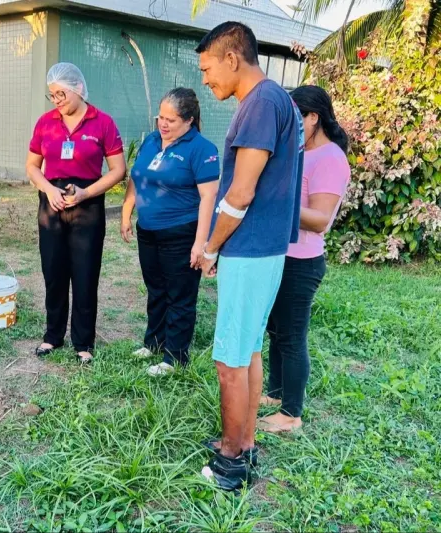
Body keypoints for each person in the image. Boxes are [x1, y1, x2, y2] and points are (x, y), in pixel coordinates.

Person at [196, 22, 304, 490]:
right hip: (265, 249)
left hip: (250, 248)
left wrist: (211, 245)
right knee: (248, 350)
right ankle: (242, 441)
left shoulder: (259, 103)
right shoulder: (278, 100)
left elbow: (240, 193)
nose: (205, 79)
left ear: (232, 58)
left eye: (207, 68)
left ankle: (232, 459)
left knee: (228, 362)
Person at [257, 85, 351, 433]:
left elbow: (321, 219)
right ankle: (277, 393)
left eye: (296, 117)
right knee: (276, 331)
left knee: (292, 336)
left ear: (314, 117)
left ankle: (291, 413)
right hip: (281, 254)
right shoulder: (299, 152)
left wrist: (273, 201)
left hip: (303, 261)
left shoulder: (330, 158)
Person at [26, 62, 127, 364]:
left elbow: (118, 170)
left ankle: (84, 342)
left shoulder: (103, 123)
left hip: (88, 202)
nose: (57, 101)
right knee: (54, 272)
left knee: (85, 275)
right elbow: (32, 166)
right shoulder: (45, 123)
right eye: (52, 95)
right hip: (52, 202)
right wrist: (48, 189)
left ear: (79, 89)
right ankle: (53, 335)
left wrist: (86, 193)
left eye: (61, 94)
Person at [121, 88, 219, 375]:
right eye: (160, 118)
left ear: (189, 120)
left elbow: (208, 199)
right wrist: (127, 213)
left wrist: (200, 243)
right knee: (156, 289)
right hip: (148, 231)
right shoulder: (152, 141)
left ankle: (175, 357)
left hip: (181, 233)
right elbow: (136, 177)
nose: (163, 124)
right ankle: (153, 342)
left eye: (171, 120)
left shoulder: (202, 149)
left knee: (180, 295)